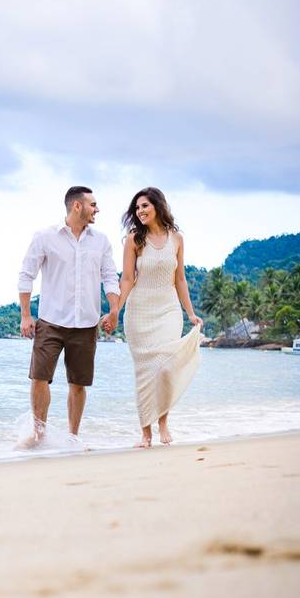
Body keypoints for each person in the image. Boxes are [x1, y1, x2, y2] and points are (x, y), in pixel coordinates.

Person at [18, 187, 120, 448]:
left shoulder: (101, 241)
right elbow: (26, 275)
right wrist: (26, 315)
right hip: (50, 321)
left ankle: (73, 437)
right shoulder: (44, 237)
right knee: (39, 378)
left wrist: (113, 310)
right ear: (77, 206)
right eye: (93, 204)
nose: (97, 209)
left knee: (78, 383)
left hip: (86, 324)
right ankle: (39, 435)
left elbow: (110, 277)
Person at [103, 187, 202, 448]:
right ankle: (145, 433)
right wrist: (115, 310)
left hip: (168, 309)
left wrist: (190, 313)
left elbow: (180, 279)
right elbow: (126, 279)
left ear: (158, 206)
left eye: (144, 206)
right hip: (139, 312)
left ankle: (163, 422)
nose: (140, 211)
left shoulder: (177, 239)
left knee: (166, 367)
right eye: (137, 208)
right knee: (145, 371)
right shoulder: (134, 239)